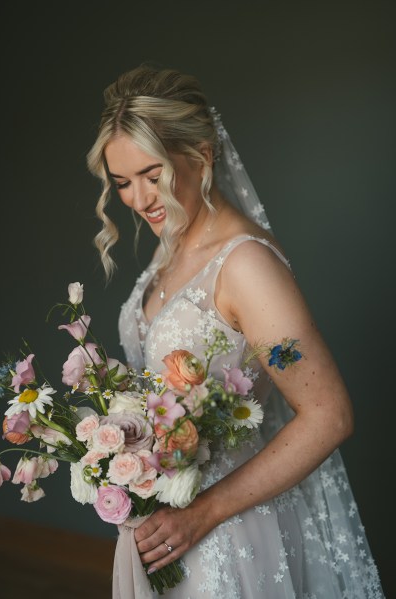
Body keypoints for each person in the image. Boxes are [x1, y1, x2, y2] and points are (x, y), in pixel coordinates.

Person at [87, 65, 384, 598]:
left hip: (227, 529)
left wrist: (202, 514)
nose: (136, 200)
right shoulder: (171, 243)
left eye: (152, 175)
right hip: (168, 523)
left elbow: (329, 415)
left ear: (201, 153)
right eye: (122, 182)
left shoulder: (247, 267)